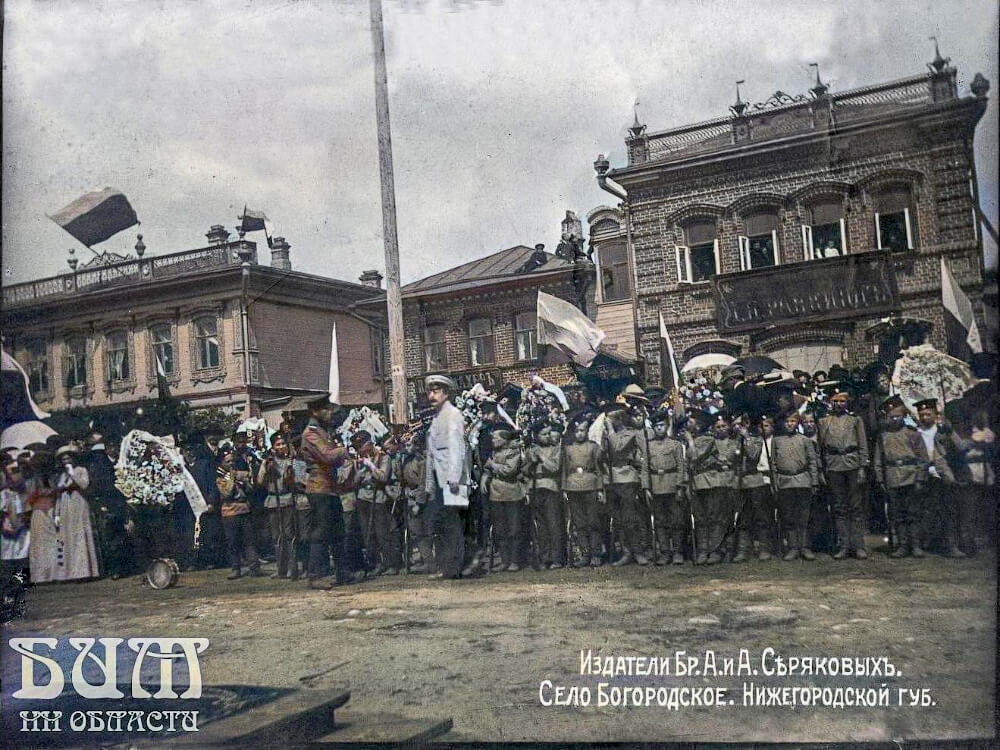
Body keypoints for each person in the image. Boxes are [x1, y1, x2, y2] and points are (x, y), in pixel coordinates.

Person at [873, 395, 936, 558]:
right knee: (897, 514)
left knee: (913, 512)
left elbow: (923, 459)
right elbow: (878, 460)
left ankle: (916, 545)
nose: (894, 419)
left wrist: (920, 478)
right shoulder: (883, 436)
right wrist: (880, 478)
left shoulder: (913, 434)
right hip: (892, 477)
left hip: (911, 476)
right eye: (891, 417)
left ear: (904, 416)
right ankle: (903, 545)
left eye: (897, 416)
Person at [299, 394, 350, 588]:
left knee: (338, 531)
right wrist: (343, 451)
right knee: (320, 532)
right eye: (326, 410)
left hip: (330, 488)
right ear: (314, 412)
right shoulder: (311, 433)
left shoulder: (322, 431)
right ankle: (316, 575)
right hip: (319, 488)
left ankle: (342, 572)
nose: (329, 413)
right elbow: (327, 456)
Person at [29, 446, 100, 582]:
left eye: (68, 457)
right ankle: (72, 572)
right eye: (63, 458)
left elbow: (84, 485)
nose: (66, 460)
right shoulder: (61, 475)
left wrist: (72, 473)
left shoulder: (80, 470)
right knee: (67, 537)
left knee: (80, 534)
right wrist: (57, 512)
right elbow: (58, 492)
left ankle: (84, 570)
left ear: (73, 458)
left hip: (78, 503)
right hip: (65, 505)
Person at [423, 375, 469, 579]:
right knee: (441, 523)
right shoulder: (436, 418)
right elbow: (432, 455)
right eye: (430, 391)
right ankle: (446, 566)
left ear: (446, 393)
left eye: (437, 391)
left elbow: (457, 448)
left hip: (452, 481)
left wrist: (453, 477)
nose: (432, 395)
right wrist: (430, 484)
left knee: (451, 524)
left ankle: (454, 567)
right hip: (440, 480)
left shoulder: (452, 415)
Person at [817, 385, 870, 559]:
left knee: (856, 507)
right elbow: (820, 448)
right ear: (830, 402)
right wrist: (821, 470)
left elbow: (862, 445)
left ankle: (858, 546)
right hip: (833, 466)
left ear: (847, 402)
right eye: (836, 401)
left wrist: (862, 467)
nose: (839, 404)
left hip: (853, 464)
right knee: (839, 507)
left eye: (842, 401)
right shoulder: (824, 422)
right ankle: (844, 545)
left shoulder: (855, 420)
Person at [687, 410, 737, 565]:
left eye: (691, 421)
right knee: (701, 518)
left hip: (711, 482)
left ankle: (715, 550)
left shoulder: (708, 439)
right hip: (698, 482)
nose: (688, 424)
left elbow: (695, 456)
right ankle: (703, 550)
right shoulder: (697, 439)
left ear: (699, 425)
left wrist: (689, 441)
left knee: (715, 517)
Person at [913, 398, 961, 557]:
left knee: (948, 510)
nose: (925, 417)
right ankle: (927, 542)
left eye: (928, 414)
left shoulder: (942, 430)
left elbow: (959, 447)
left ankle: (951, 546)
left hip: (943, 474)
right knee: (926, 511)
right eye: (922, 415)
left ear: (935, 414)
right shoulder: (915, 433)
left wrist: (951, 432)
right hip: (924, 474)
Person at [82, 429, 130, 578]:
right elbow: (97, 487)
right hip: (109, 505)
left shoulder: (121, 462)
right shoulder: (100, 464)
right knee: (112, 539)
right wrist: (102, 505)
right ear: (106, 448)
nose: (114, 449)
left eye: (117, 446)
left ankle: (127, 567)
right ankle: (115, 570)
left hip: (124, 505)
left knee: (124, 537)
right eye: (111, 446)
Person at [772, 411, 819, 561]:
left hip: (802, 480)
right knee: (788, 516)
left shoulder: (805, 440)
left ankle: (805, 547)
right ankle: (793, 547)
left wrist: (814, 481)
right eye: (787, 422)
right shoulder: (777, 441)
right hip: (784, 481)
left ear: (797, 423)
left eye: (793, 421)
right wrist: (775, 482)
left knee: (804, 516)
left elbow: (812, 462)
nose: (790, 424)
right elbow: (773, 463)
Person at [605, 406, 648, 566]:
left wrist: (609, 430)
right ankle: (626, 552)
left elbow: (617, 448)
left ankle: (638, 552)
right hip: (612, 480)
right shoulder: (607, 435)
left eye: (611, 420)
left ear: (618, 420)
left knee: (630, 518)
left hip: (627, 478)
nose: (608, 422)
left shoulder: (630, 434)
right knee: (618, 520)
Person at [562, 412, 607, 567]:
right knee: (579, 523)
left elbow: (598, 469)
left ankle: (596, 554)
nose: (580, 434)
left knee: (593, 522)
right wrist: (564, 489)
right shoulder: (568, 449)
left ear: (587, 431)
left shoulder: (593, 447)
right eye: (577, 431)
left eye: (583, 431)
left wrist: (600, 489)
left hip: (591, 486)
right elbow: (564, 471)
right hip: (573, 487)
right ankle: (585, 554)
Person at [355, 431, 401, 576]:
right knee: (368, 534)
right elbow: (355, 481)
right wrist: (361, 470)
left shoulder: (384, 457)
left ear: (368, 444)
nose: (359, 450)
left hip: (378, 499)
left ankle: (391, 564)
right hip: (363, 498)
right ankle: (376, 563)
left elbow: (383, 476)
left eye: (360, 447)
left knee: (383, 534)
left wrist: (371, 467)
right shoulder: (362, 459)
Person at [645, 410, 686, 565]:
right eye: (656, 426)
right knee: (660, 521)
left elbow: (681, 467)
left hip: (672, 485)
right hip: (656, 486)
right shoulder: (649, 446)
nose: (659, 429)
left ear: (667, 426)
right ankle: (665, 552)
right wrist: (646, 488)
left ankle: (677, 552)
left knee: (676, 520)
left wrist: (680, 486)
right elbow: (645, 468)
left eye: (662, 425)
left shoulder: (675, 444)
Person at [256, 434, 299, 579]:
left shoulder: (291, 460)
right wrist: (266, 468)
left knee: (289, 535)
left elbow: (295, 482)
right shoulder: (268, 461)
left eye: (282, 444)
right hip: (273, 501)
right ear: (273, 447)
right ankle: (281, 568)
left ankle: (292, 568)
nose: (280, 447)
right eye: (277, 444)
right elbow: (260, 482)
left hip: (287, 499)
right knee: (276, 537)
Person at [216, 446, 262, 579]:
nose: (231, 464)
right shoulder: (220, 477)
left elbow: (250, 489)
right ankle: (235, 568)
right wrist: (232, 478)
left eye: (232, 462)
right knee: (233, 542)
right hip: (229, 511)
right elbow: (227, 492)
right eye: (228, 462)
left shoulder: (240, 474)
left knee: (249, 540)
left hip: (243, 508)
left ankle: (254, 566)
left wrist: (245, 482)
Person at [526, 422, 566, 569]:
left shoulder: (556, 449)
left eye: (549, 433)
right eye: (544, 434)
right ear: (537, 436)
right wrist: (531, 461)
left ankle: (557, 558)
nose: (548, 436)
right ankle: (545, 557)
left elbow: (555, 467)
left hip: (550, 488)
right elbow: (524, 470)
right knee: (541, 526)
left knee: (553, 523)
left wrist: (542, 458)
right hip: (535, 488)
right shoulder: (532, 450)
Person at [483, 428, 524, 572]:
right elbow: (487, 469)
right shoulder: (495, 453)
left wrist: (493, 465)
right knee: (500, 529)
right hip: (496, 494)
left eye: (496, 438)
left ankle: (515, 561)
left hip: (512, 493)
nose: (493, 441)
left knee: (514, 529)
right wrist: (485, 477)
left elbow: (509, 470)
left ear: (505, 440)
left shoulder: (513, 452)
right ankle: (505, 560)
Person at [401, 432, 433, 573]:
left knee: (428, 531)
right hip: (411, 497)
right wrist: (407, 491)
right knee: (416, 531)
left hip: (426, 500)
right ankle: (426, 560)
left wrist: (418, 504)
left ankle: (431, 562)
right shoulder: (406, 460)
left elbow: (424, 483)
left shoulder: (424, 461)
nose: (407, 447)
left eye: (409, 444)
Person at [2, 458, 31, 578]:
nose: (13, 478)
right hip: (7, 530)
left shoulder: (26, 493)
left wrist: (23, 521)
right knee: (7, 556)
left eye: (16, 473)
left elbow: (28, 511)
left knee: (22, 555)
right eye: (9, 475)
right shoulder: (4, 494)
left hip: (23, 531)